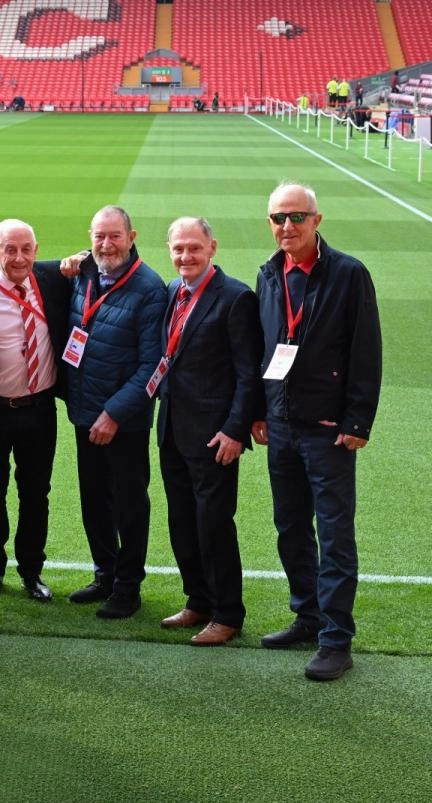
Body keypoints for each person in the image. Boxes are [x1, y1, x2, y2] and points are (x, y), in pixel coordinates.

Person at [252, 183, 381, 681]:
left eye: (297, 217)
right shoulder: (269, 274)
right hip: (280, 423)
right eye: (279, 217)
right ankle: (306, 616)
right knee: (290, 526)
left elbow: (365, 350)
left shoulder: (348, 273)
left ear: (317, 220)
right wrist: (260, 413)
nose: (288, 226)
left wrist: (357, 420)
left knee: (334, 533)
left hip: (328, 429)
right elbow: (265, 349)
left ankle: (336, 638)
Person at [153, 217, 262, 647]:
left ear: (212, 247)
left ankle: (227, 613)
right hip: (173, 428)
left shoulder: (235, 298)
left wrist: (235, 430)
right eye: (179, 248)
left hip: (215, 436)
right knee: (182, 520)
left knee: (213, 523)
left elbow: (247, 373)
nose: (186, 256)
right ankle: (197, 599)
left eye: (194, 247)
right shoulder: (171, 292)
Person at [63, 205, 167, 618]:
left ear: (131, 236)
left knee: (128, 502)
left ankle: (128, 586)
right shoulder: (85, 273)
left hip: (123, 421)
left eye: (115, 236)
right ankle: (104, 572)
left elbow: (152, 365)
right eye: (99, 237)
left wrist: (115, 414)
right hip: (85, 412)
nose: (107, 244)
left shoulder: (149, 288)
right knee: (94, 499)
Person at [0, 219, 70, 603]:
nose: (19, 257)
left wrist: (78, 259)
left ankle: (32, 570)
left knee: (35, 493)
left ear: (37, 249)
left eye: (26, 248)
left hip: (39, 408)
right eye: (10, 249)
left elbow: (105, 258)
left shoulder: (53, 279)